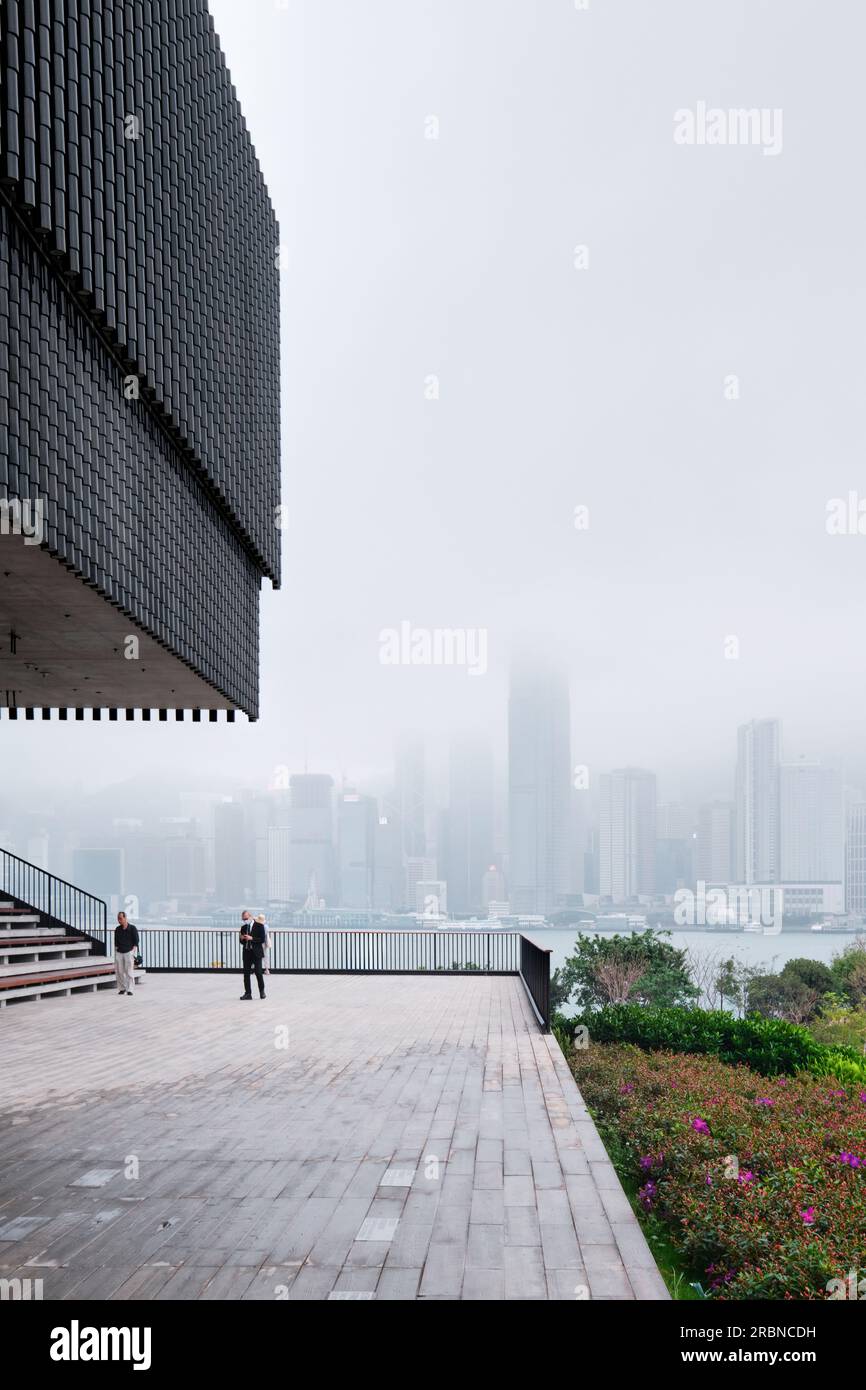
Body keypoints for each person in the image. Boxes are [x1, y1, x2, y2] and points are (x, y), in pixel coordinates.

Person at [239, 909, 267, 1000]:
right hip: (247, 952)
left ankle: (262, 992)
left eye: (246, 918)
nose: (245, 920)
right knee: (246, 974)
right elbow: (241, 942)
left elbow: (262, 939)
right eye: (243, 919)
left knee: (258, 973)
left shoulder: (259, 926)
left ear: (250, 917)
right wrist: (243, 939)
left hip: (256, 953)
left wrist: (252, 938)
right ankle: (248, 993)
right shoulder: (243, 928)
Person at [114, 911, 139, 996]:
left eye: (120, 918)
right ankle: (122, 988)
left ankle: (130, 989)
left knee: (129, 971)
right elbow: (116, 942)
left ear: (125, 918)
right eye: (118, 918)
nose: (119, 920)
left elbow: (136, 941)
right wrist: (116, 951)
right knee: (119, 971)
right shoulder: (117, 929)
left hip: (129, 951)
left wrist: (133, 951)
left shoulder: (132, 928)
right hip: (119, 952)